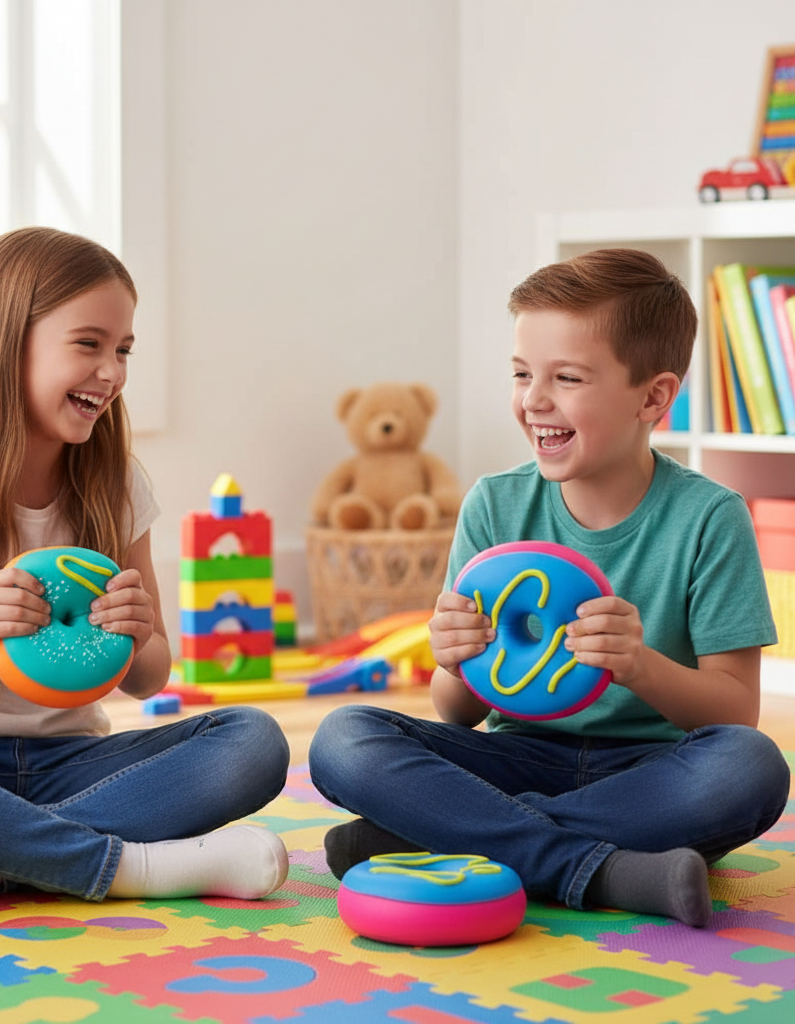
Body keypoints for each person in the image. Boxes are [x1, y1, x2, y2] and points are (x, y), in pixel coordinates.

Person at [0, 226, 290, 919]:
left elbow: (150, 675)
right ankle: (132, 866)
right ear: (6, 342)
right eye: (89, 344)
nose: (113, 372)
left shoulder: (115, 483)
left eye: (123, 350)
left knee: (253, 744)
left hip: (75, 761)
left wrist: (137, 633)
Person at [309, 248, 790, 928]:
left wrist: (640, 665)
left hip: (651, 770)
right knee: (343, 738)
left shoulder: (710, 517)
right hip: (515, 754)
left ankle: (450, 836)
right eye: (521, 373)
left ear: (652, 397)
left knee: (752, 768)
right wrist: (453, 659)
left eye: (566, 378)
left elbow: (734, 713)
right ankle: (601, 869)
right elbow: (455, 713)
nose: (534, 400)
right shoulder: (494, 505)